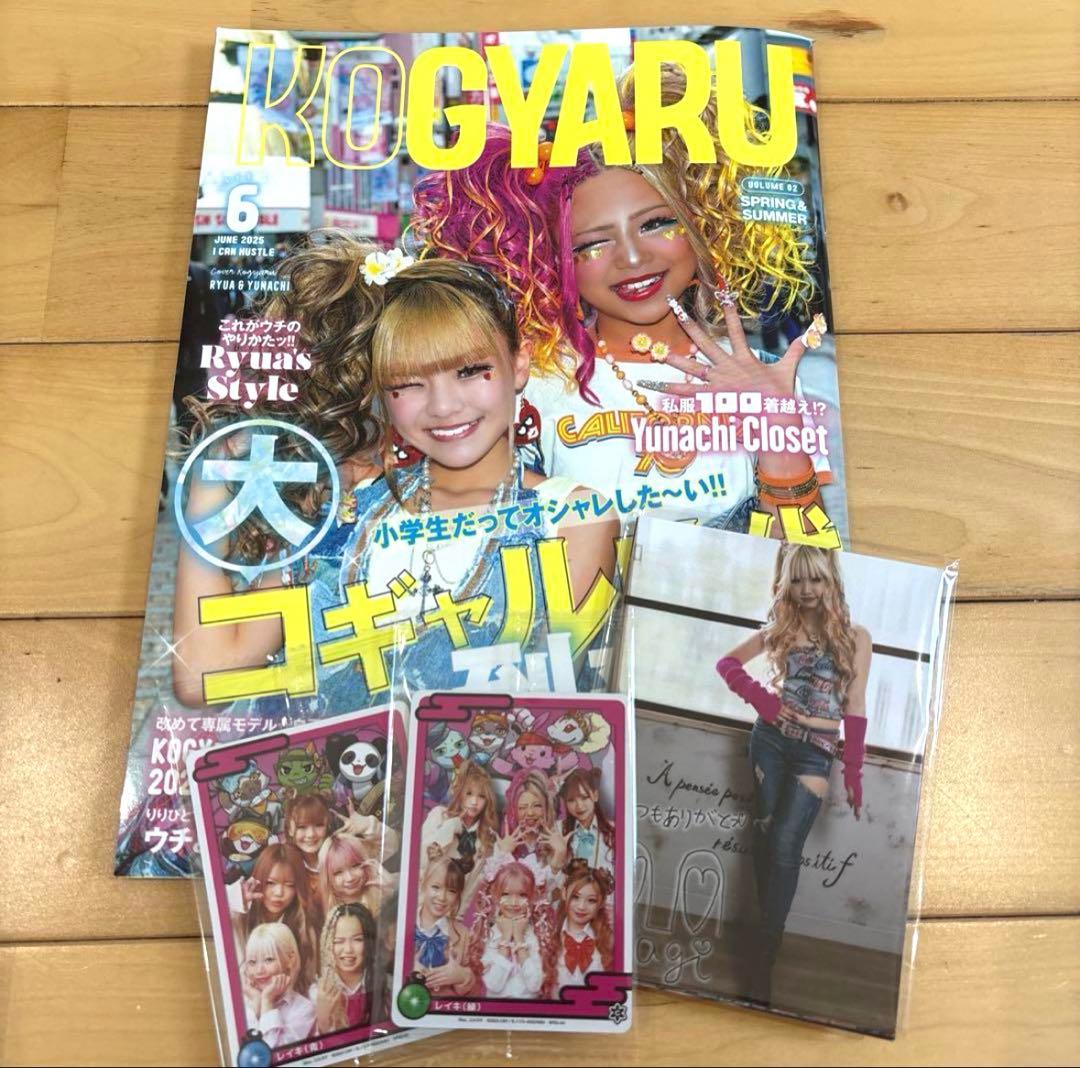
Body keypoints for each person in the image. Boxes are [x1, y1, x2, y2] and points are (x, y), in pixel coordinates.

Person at [170, 234, 619, 712]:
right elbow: (203, 678)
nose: (444, 406)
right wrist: (213, 479)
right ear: (382, 391)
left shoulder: (571, 517)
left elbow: (551, 715)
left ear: (519, 362)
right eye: (408, 383)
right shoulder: (343, 510)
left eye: (470, 370)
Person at [411, 64, 829, 535]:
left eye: (655, 224)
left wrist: (775, 423)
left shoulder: (765, 374)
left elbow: (809, 558)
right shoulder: (532, 385)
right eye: (593, 244)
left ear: (700, 225)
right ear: (556, 261)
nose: (632, 258)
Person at [716, 543, 871, 999]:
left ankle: (765, 951)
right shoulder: (780, 630)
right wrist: (765, 702)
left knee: (785, 843)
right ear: (786, 583)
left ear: (831, 580)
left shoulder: (855, 637)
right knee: (766, 835)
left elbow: (855, 705)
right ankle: (762, 944)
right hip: (769, 742)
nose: (806, 589)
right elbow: (726, 664)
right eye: (798, 579)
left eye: (816, 578)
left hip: (815, 753)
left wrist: (854, 771)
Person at [228, 842, 321, 990]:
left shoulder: (304, 926)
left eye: (289, 885)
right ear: (258, 879)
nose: (279, 893)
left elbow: (310, 982)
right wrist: (237, 898)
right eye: (271, 883)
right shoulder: (238, 917)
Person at [421, 758, 499, 912]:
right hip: (425, 904)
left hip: (456, 912)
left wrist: (459, 915)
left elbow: (473, 887)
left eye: (481, 796)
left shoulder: (485, 837)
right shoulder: (440, 816)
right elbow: (420, 861)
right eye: (469, 794)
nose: (474, 802)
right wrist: (451, 827)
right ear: (460, 793)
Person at [242, 923, 316, 1046]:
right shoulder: (244, 1003)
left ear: (290, 959)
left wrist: (267, 1002)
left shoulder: (304, 1009)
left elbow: (269, 1051)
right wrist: (256, 1005)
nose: (259, 970)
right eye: (252, 962)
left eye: (269, 960)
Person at [548, 859, 615, 993]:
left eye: (591, 900)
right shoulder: (549, 933)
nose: (581, 906)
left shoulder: (608, 939)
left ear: (601, 903)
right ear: (564, 893)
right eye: (575, 897)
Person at [311, 902, 378, 1035]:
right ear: (327, 944)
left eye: (357, 940)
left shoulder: (385, 985)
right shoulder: (317, 992)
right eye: (338, 941)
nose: (348, 949)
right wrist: (323, 1020)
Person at [411, 856, 474, 995]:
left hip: (443, 1005)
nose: (442, 897)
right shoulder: (404, 924)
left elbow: (473, 991)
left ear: (458, 896)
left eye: (451, 891)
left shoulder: (463, 935)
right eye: (436, 887)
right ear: (423, 884)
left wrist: (462, 976)